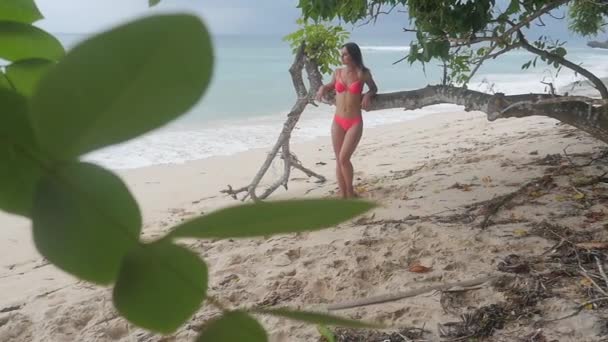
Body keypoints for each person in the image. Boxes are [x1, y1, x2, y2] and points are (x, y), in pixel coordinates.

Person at [315, 42, 378, 199]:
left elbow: (374, 88)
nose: (342, 57)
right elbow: (330, 85)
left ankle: (350, 191)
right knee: (338, 159)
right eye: (341, 54)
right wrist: (323, 88)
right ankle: (343, 193)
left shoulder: (363, 73)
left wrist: (369, 95)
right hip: (338, 121)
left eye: (345, 54)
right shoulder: (337, 72)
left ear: (353, 55)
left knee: (344, 158)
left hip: (354, 121)